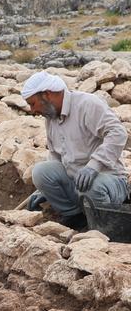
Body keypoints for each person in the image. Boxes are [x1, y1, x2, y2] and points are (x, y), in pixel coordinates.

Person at [22, 70, 129, 230]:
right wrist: (44, 189)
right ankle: (77, 217)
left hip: (108, 181)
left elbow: (118, 133)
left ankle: (103, 227)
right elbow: (55, 156)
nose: (32, 110)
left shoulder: (87, 104)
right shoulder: (51, 117)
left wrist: (94, 166)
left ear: (47, 95)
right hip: (76, 184)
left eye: (32, 103)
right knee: (41, 172)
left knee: (91, 185)